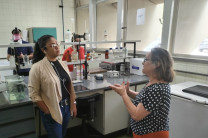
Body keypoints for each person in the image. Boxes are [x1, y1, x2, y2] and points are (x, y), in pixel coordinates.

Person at [109, 47, 175, 138]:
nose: (143, 62)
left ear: (157, 64)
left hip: (152, 135)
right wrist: (127, 92)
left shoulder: (157, 89)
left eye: (146, 59)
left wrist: (123, 94)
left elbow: (136, 115)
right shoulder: (154, 83)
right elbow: (144, 99)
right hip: (143, 133)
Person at [28, 35, 77, 138]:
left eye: (57, 44)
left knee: (62, 135)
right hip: (52, 109)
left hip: (67, 108)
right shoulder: (37, 68)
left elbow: (69, 85)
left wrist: (73, 104)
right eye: (52, 45)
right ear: (44, 50)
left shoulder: (63, 64)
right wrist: (47, 110)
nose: (57, 47)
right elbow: (33, 94)